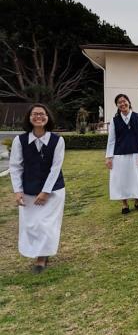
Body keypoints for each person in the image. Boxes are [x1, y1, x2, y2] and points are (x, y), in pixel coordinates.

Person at [9, 104, 65, 273]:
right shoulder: (20, 141)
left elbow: (56, 168)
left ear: (48, 117)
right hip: (29, 189)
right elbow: (15, 166)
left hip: (53, 190)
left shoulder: (57, 140)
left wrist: (45, 192)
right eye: (35, 114)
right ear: (29, 117)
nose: (39, 116)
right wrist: (18, 190)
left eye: (42, 114)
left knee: (45, 224)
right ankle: (39, 252)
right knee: (32, 225)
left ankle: (41, 258)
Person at [105, 94, 138, 214]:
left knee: (137, 178)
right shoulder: (114, 121)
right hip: (120, 154)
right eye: (119, 102)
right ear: (117, 105)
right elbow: (111, 139)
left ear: (129, 102)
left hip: (136, 153)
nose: (122, 104)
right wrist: (109, 157)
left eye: (124, 101)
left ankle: (137, 202)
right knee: (121, 179)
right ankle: (124, 204)